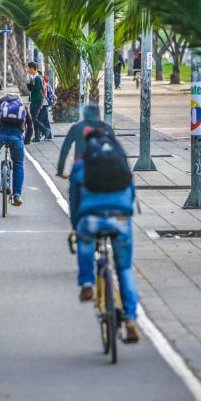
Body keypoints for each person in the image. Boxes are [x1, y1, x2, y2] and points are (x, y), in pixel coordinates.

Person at [69, 125, 141, 343]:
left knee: (85, 241)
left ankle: (87, 283)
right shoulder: (120, 159)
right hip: (120, 218)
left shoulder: (82, 163)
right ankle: (130, 319)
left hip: (91, 217)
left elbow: (74, 198)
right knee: (125, 269)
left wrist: (75, 225)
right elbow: (131, 192)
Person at [0, 92, 33, 206]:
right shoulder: (22, 105)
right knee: (18, 164)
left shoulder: (0, 103)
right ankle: (17, 195)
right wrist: (27, 140)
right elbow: (30, 125)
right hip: (16, 137)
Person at [56, 104, 112, 180]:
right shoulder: (107, 128)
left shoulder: (76, 127)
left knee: (75, 189)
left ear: (84, 115)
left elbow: (65, 149)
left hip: (81, 165)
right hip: (102, 166)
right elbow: (116, 149)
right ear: (99, 115)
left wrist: (60, 170)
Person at [25, 62, 51, 143]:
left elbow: (37, 90)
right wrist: (28, 84)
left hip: (37, 100)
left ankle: (45, 130)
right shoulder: (33, 77)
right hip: (34, 99)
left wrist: (30, 84)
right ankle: (37, 136)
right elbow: (30, 90)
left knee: (33, 118)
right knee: (34, 118)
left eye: (28, 68)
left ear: (32, 68)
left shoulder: (37, 78)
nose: (27, 69)